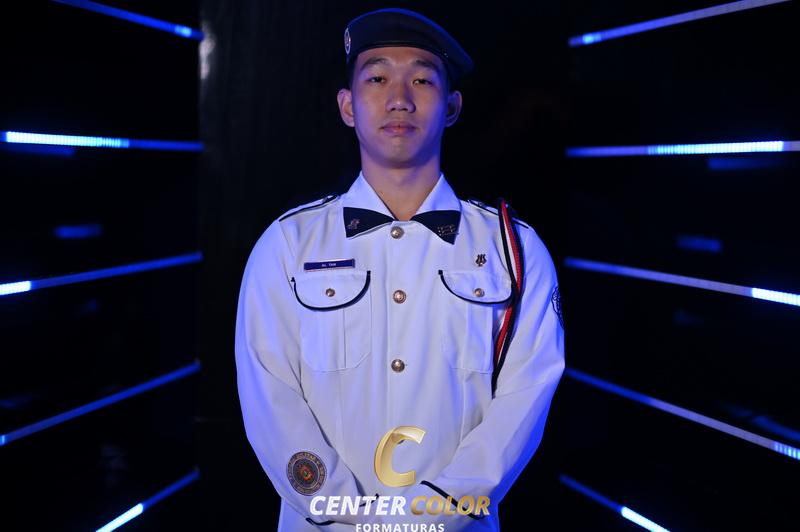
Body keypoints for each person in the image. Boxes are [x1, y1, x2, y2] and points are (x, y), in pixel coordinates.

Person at [234, 7, 565, 531]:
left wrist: (429, 519)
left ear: (452, 106)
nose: (399, 99)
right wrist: (349, 514)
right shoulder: (286, 245)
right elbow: (270, 401)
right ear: (347, 106)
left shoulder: (514, 249)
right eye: (377, 78)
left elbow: (524, 401)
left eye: (422, 80)